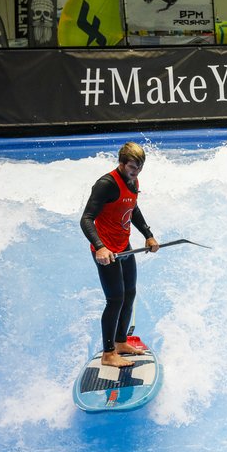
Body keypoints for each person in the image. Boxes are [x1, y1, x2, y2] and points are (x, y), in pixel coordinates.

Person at [80, 142, 160, 368]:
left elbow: (132, 208)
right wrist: (100, 247)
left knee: (129, 294)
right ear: (122, 163)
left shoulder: (133, 181)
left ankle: (121, 341)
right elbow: (86, 219)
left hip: (124, 247)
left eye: (140, 168)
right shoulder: (106, 184)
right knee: (114, 300)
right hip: (107, 252)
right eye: (133, 167)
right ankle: (108, 354)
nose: (136, 172)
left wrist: (148, 235)